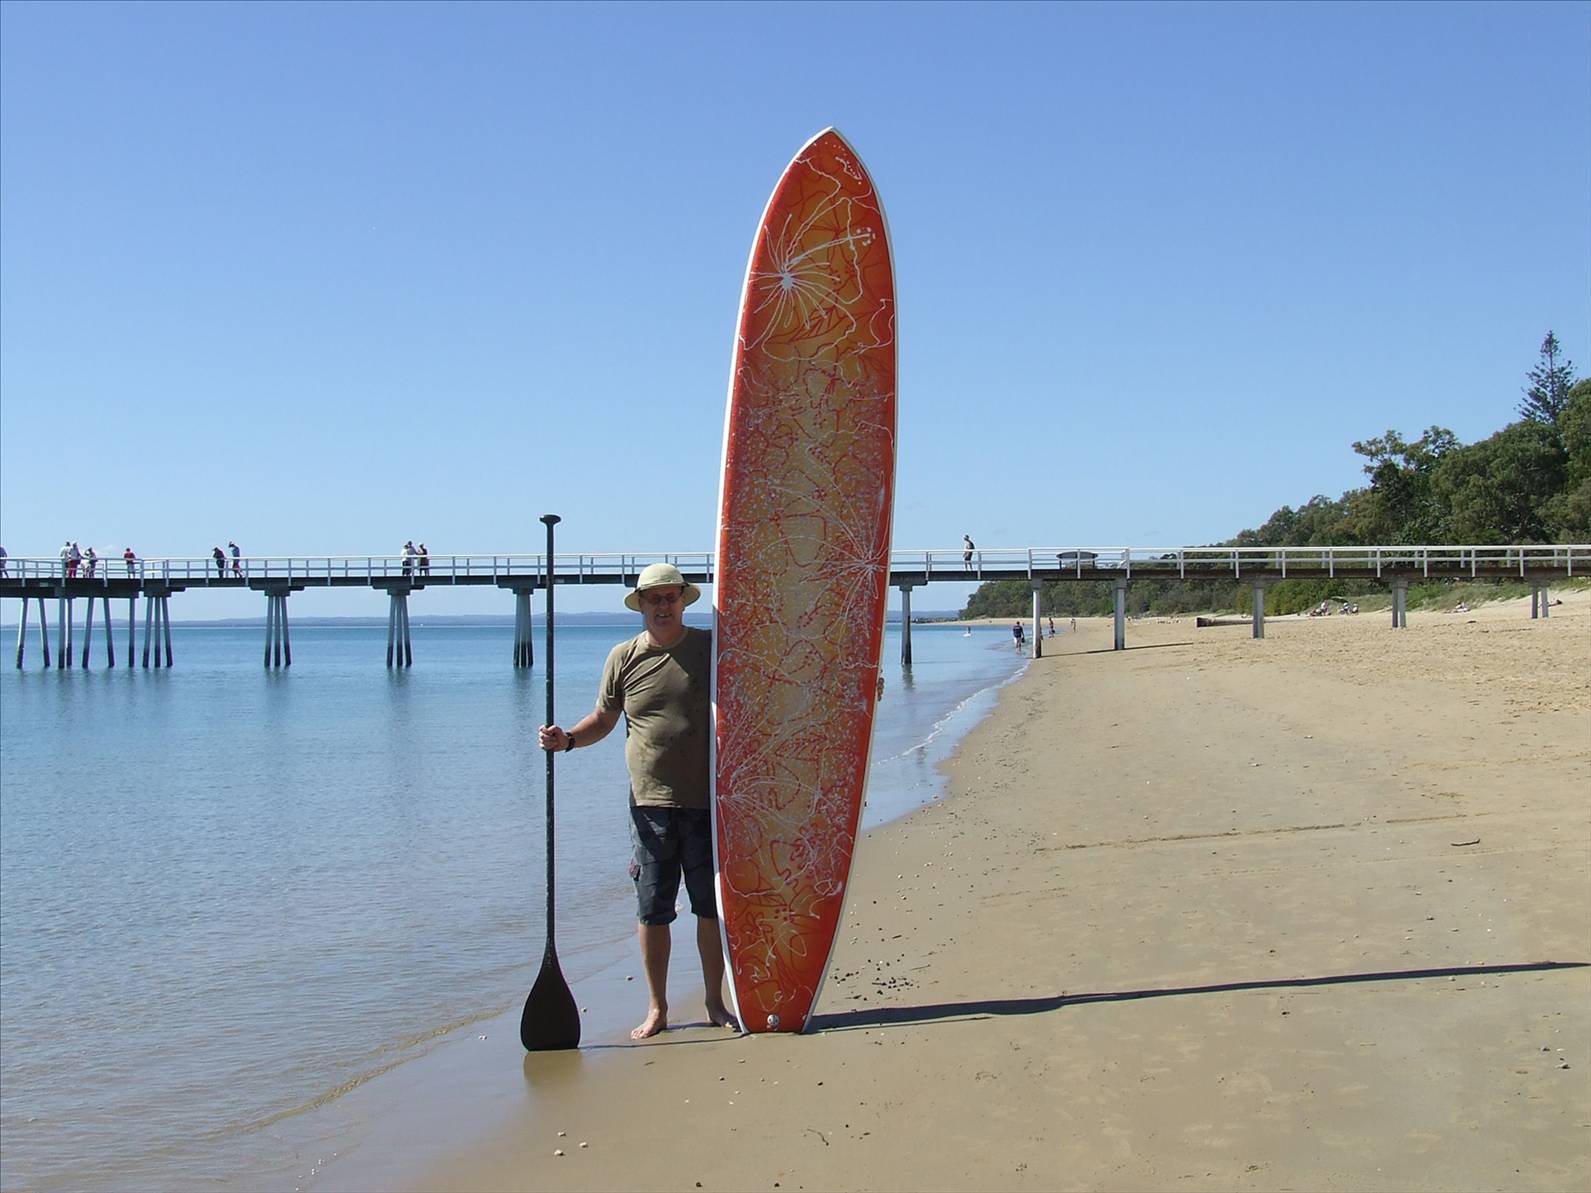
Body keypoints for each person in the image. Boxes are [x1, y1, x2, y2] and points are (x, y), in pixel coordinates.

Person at [537, 562, 736, 1041]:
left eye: (670, 597)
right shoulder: (623, 658)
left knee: (710, 909)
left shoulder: (709, 648)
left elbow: (757, 692)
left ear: (684, 601)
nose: (662, 605)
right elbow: (604, 721)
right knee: (653, 910)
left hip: (709, 801)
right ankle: (658, 1008)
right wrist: (566, 740)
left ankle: (715, 1002)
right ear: (641, 605)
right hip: (649, 806)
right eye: (653, 598)